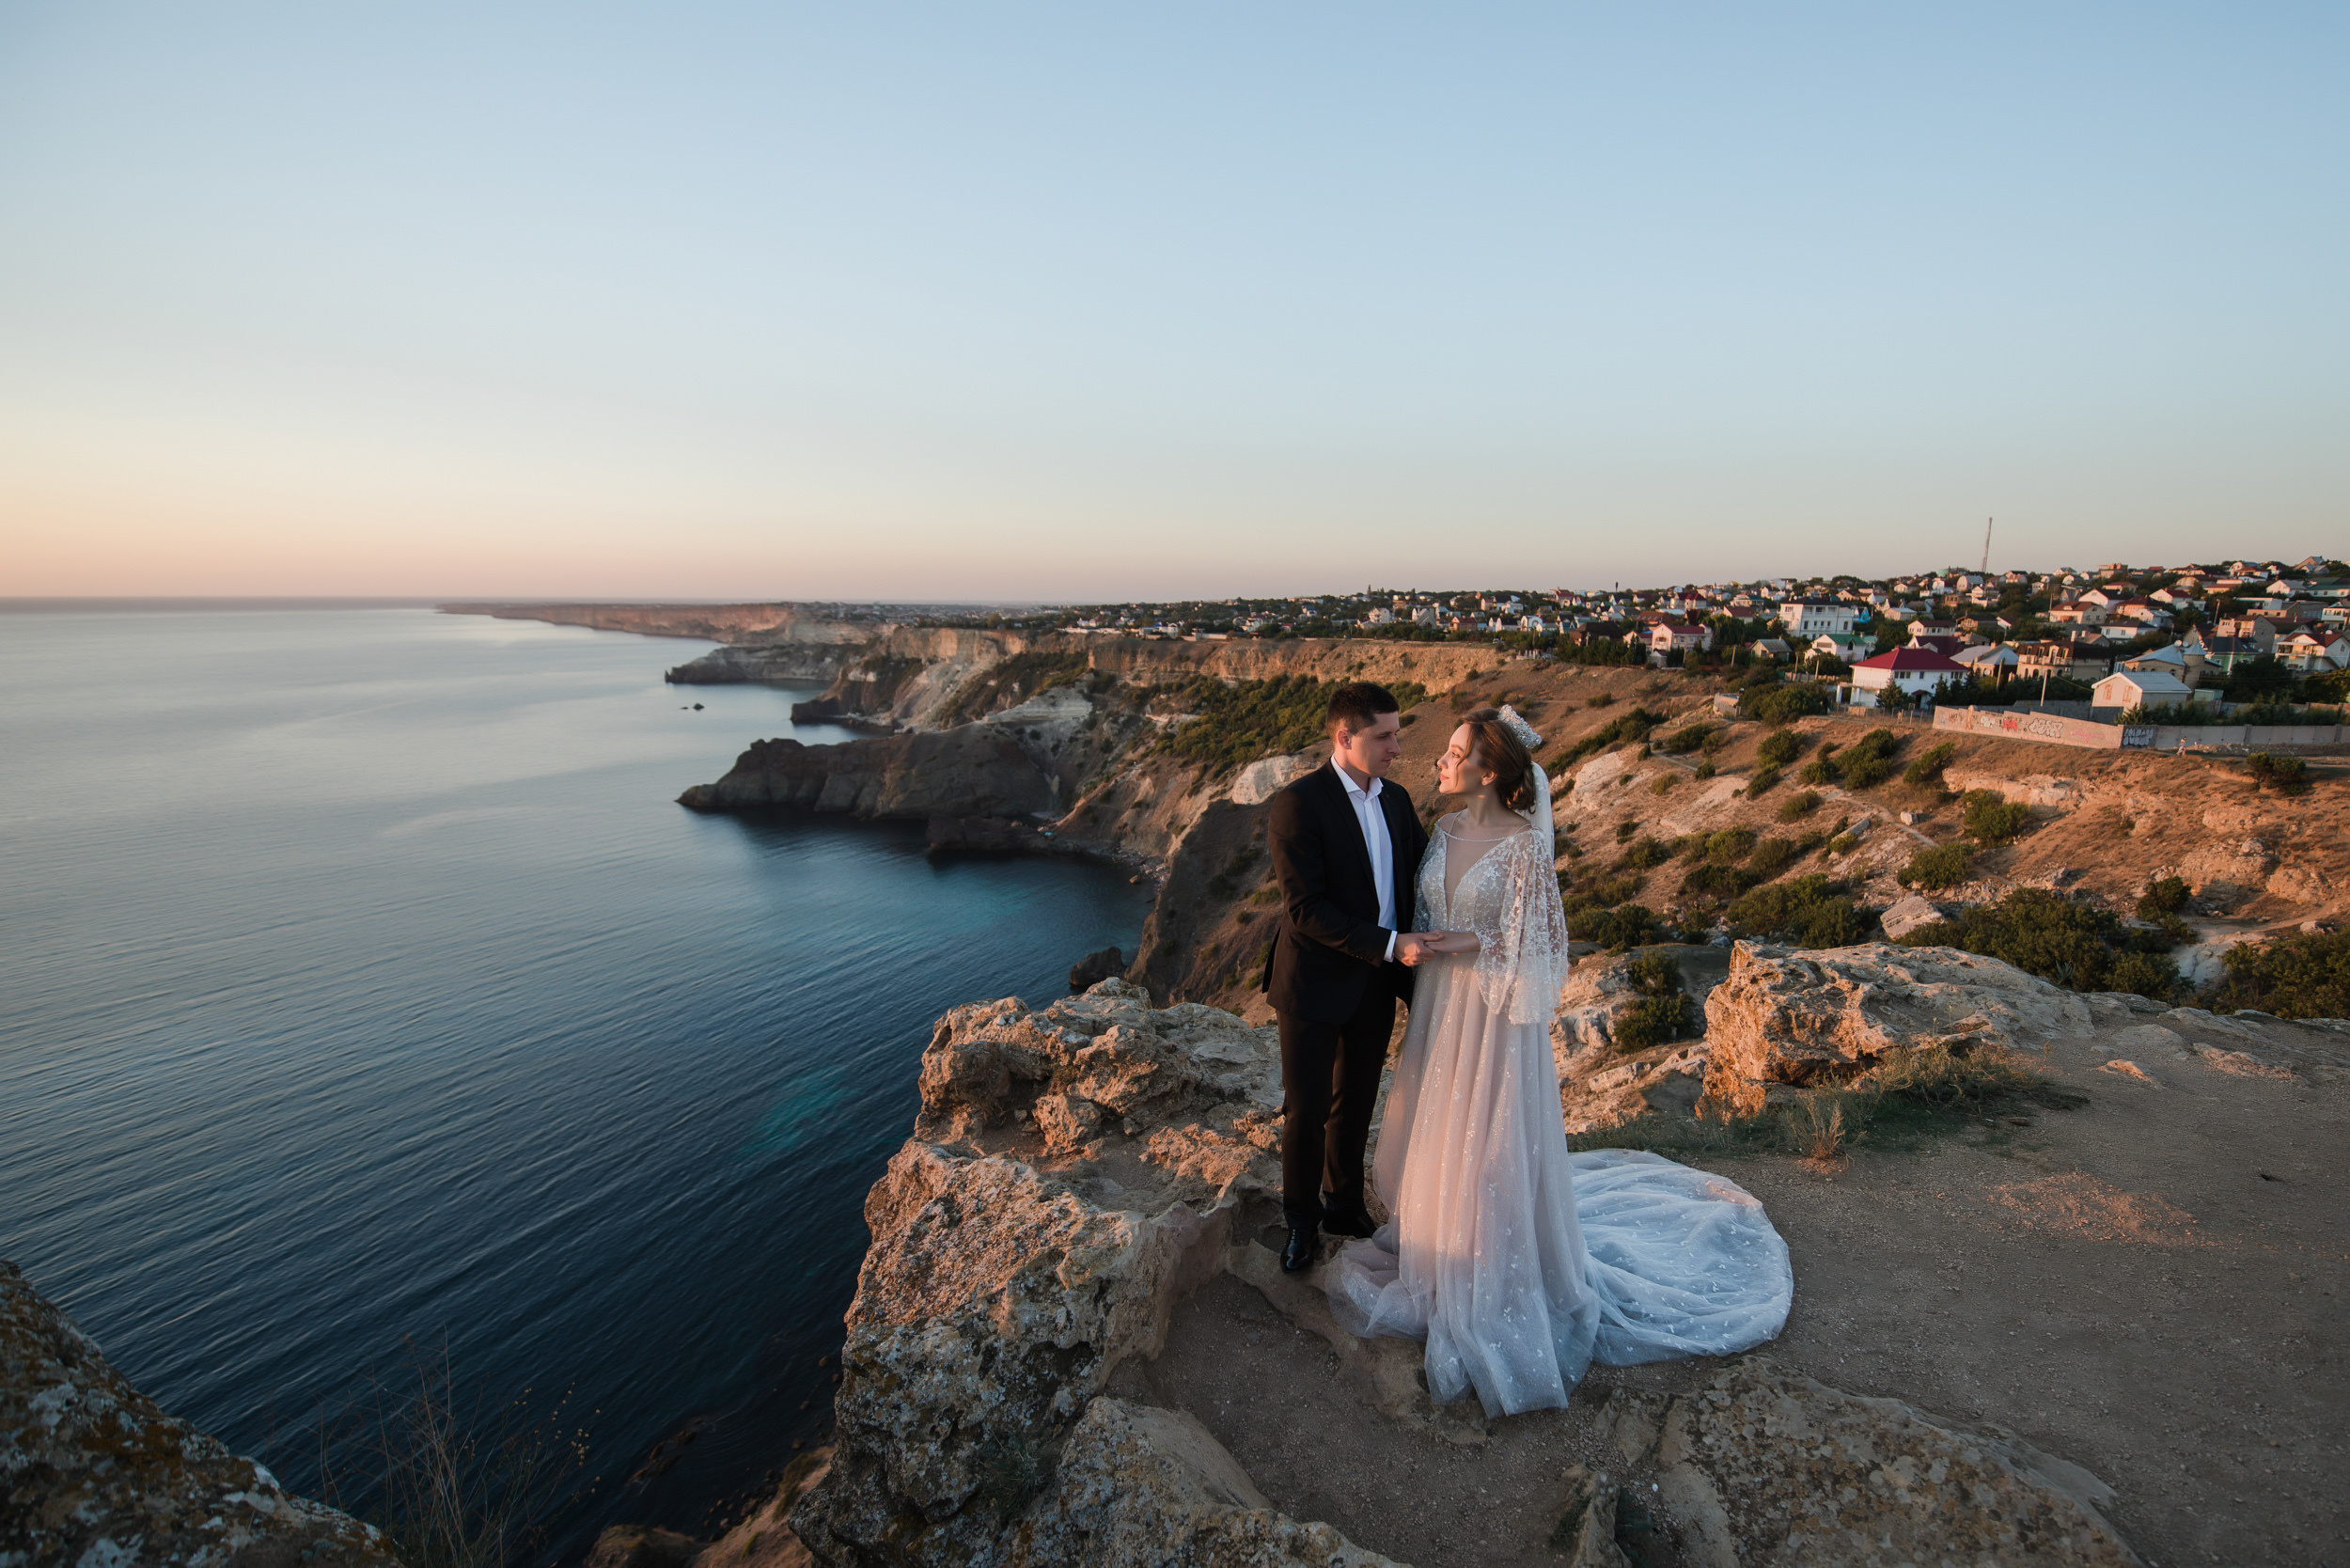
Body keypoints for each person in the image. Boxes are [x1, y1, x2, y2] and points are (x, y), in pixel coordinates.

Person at [1324, 706, 1793, 1417]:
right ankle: (1444, 1250)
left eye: (1454, 754)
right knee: (1442, 1132)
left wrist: (1462, 946)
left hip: (1492, 1017)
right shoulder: (1444, 831)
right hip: (1442, 1012)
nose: (1439, 762)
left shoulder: (1521, 848)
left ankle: (1493, 1270)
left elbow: (1539, 950)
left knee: (1488, 1142)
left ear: (1488, 771)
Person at [1261, 682, 1434, 1276]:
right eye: (1384, 736)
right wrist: (1391, 944)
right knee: (1306, 1109)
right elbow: (1304, 910)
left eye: (1395, 733)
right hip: (1313, 982)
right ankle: (1301, 1223)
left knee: (1357, 1101)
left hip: (1375, 983)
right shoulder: (1298, 803)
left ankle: (1343, 1205)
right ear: (1345, 737)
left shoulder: (1398, 801)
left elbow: (1422, 874)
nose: (1396, 746)